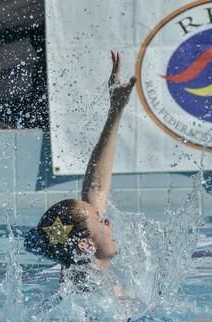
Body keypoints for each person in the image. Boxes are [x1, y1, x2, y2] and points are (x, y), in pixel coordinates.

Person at [24, 51, 136, 286]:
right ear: (85, 246)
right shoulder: (89, 289)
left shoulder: (89, 271)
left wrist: (115, 111)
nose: (107, 222)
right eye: (100, 220)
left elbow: (95, 189)